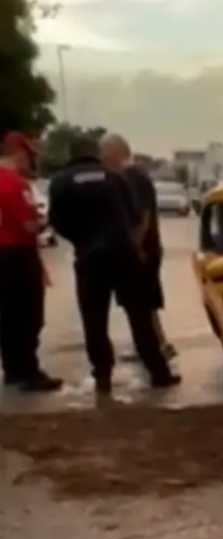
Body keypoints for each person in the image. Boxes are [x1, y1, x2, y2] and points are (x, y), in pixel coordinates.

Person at [48, 136, 180, 393]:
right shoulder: (115, 178)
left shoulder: (61, 181)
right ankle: (159, 372)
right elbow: (133, 215)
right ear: (94, 153)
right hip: (124, 255)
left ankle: (103, 376)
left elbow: (56, 220)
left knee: (94, 319)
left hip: (89, 259)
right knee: (140, 316)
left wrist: (80, 239)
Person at [99, 134, 176, 359]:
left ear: (116, 152)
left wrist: (133, 247)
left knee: (141, 303)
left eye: (104, 154)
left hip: (142, 251)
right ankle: (155, 345)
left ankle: (154, 347)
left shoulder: (133, 176)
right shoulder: (132, 176)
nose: (102, 160)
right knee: (145, 304)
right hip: (143, 249)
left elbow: (143, 216)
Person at [0, 131, 63, 392]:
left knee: (7, 315)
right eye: (31, 156)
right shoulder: (15, 184)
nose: (33, 164)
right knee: (28, 316)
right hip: (17, 254)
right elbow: (29, 226)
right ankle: (28, 371)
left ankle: (13, 368)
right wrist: (46, 222)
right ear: (19, 153)